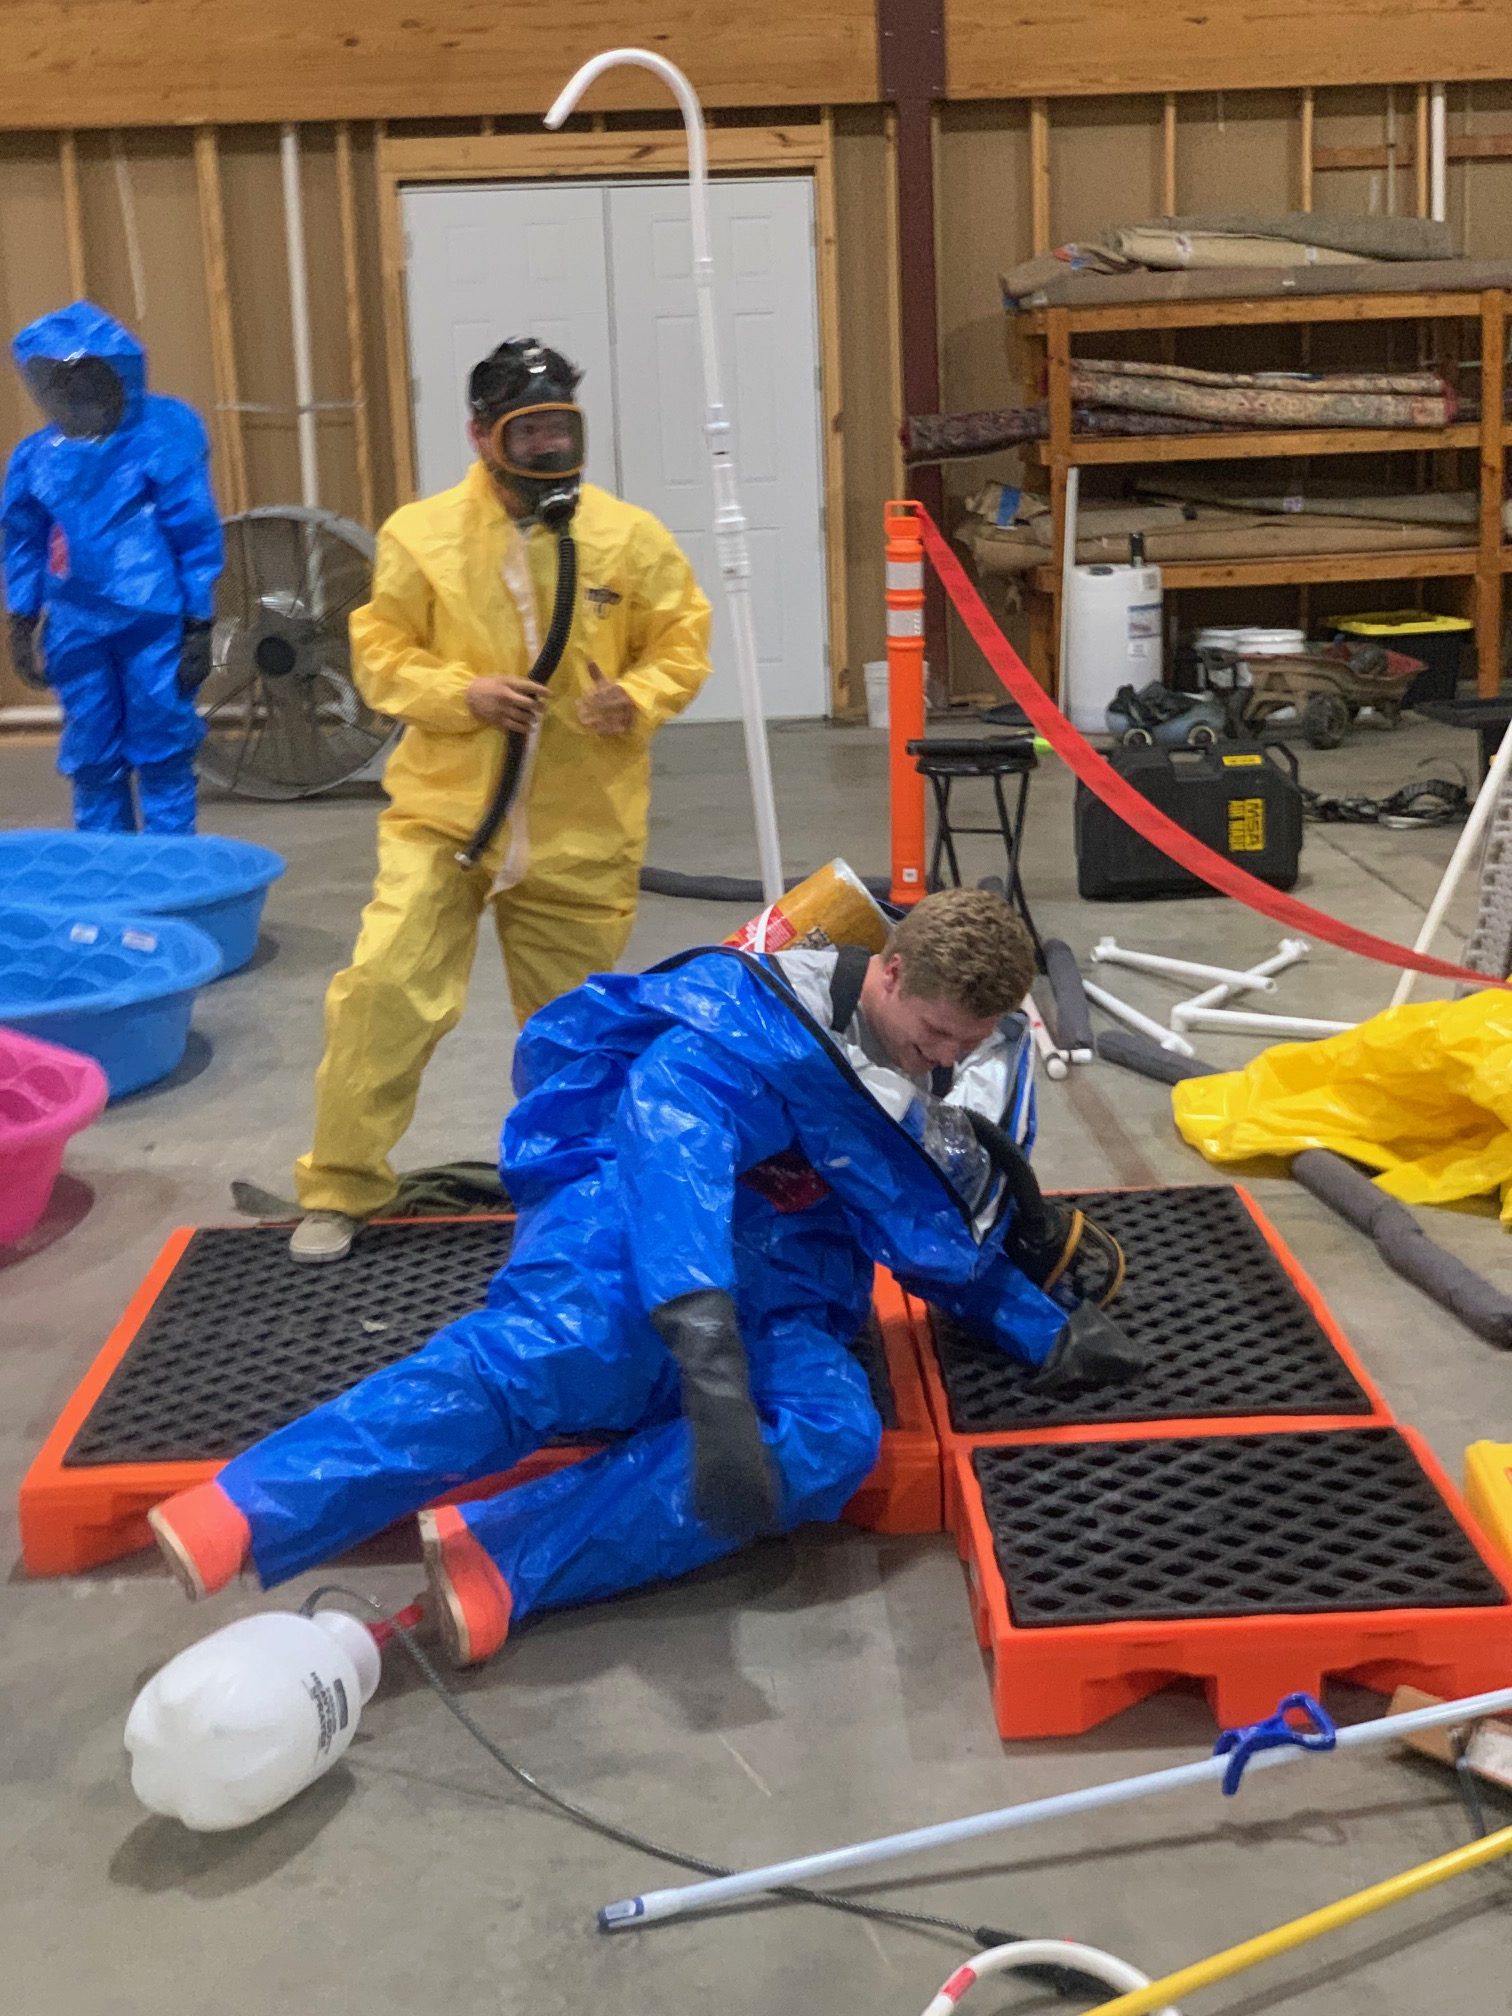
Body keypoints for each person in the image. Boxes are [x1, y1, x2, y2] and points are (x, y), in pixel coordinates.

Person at [149, 889, 1138, 1667]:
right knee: (559, 1350)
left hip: (789, 1289)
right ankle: (254, 1503)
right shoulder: (747, 1027)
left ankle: (507, 1558)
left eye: (964, 1043)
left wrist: (1044, 1330)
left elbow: (923, 1227)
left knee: (834, 1434)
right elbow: (674, 1154)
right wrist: (705, 1347)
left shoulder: (927, 1077)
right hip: (630, 1224)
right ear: (889, 970)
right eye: (934, 1034)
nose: (945, 1059)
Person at [290, 337, 712, 1264]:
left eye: (562, 428)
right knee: (384, 991)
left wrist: (636, 697)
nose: (549, 448)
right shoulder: (421, 536)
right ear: (482, 435)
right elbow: (380, 654)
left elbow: (681, 639)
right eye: (529, 432)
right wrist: (463, 695)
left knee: (577, 1032)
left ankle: (575, 1197)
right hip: (445, 819)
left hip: (581, 825)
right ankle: (341, 1186)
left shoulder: (628, 537)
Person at [1, 300, 223, 834]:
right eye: (56, 381)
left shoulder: (161, 436)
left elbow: (193, 530)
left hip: (153, 623)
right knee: (92, 751)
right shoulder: (37, 457)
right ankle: (106, 867)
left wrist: (197, 621)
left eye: (83, 378)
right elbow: (22, 538)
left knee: (163, 746)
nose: (72, 394)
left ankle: (168, 867)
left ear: (116, 374)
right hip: (76, 625)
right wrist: (22, 617)